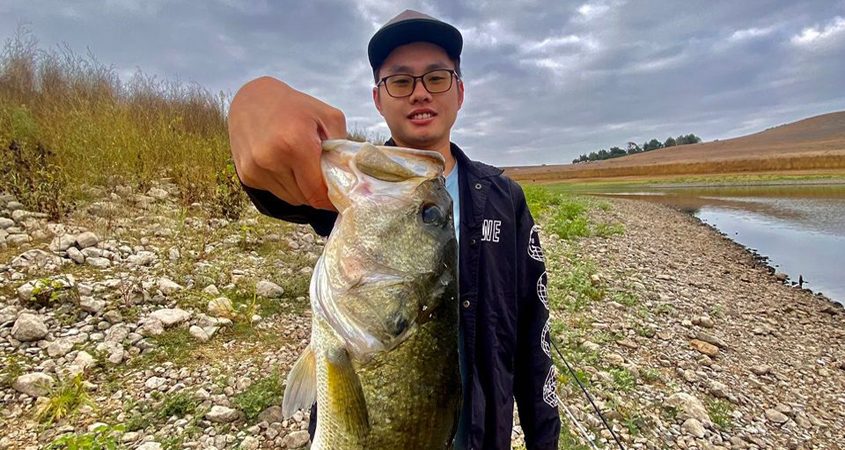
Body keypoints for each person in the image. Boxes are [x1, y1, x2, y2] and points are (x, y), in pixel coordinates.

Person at [228, 10, 561, 450]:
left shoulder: (504, 198)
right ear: (377, 99)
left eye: (437, 78)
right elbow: (273, 186)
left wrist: (544, 441)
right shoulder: (355, 191)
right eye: (400, 81)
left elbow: (532, 336)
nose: (419, 93)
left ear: (460, 92)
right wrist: (252, 101)